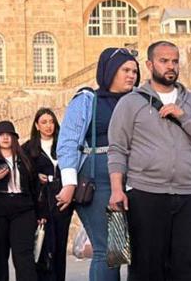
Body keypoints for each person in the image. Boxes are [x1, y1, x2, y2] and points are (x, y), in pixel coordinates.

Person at [108, 41, 191, 281]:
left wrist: (184, 116)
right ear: (149, 65)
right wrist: (117, 190)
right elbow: (117, 149)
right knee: (147, 268)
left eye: (175, 61)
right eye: (164, 61)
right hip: (146, 193)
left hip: (190, 194)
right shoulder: (130, 103)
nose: (171, 66)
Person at [56, 47, 140, 281]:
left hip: (136, 179)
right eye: (125, 70)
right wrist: (69, 183)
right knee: (110, 250)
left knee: (135, 250)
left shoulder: (139, 101)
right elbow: (69, 141)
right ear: (110, 70)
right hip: (100, 181)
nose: (131, 75)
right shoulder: (87, 100)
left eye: (135, 70)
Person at [0, 120, 45, 281]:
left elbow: (35, 188)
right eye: (1, 135)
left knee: (24, 256)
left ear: (14, 138)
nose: (5, 138)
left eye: (9, 135)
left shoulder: (24, 159)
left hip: (23, 210)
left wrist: (40, 213)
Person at [22, 108, 70, 281]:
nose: (48, 126)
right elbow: (23, 174)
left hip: (62, 198)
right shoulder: (28, 148)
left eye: (51, 121)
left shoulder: (63, 143)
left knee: (60, 245)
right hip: (42, 201)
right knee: (43, 245)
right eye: (44, 122)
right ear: (37, 125)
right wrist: (35, 176)